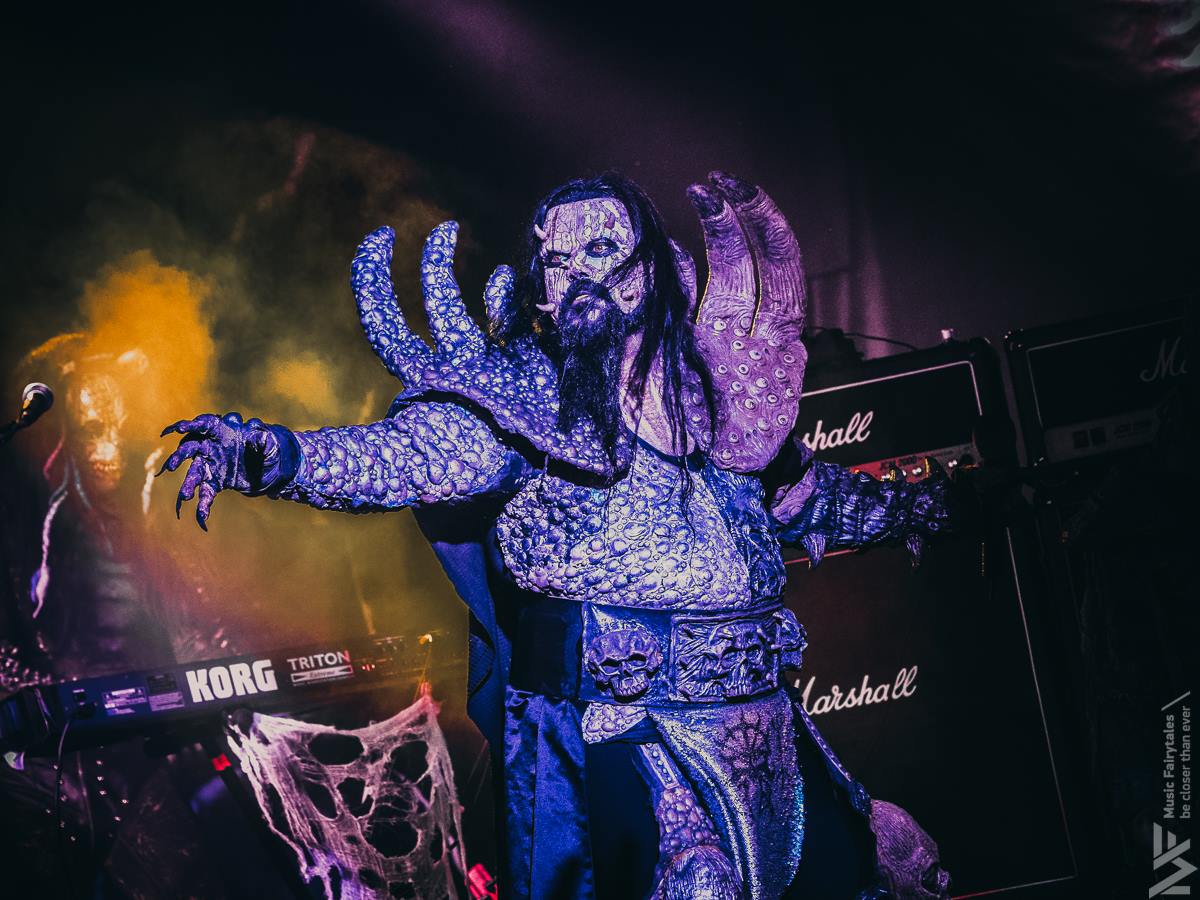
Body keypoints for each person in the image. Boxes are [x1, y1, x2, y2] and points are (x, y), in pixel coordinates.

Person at [161, 171, 953, 899]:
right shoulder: (524, 404)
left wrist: (917, 508)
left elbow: (811, 497)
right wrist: (272, 454)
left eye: (599, 249)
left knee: (880, 863)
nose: (574, 273)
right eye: (553, 260)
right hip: (628, 738)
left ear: (655, 270)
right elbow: (398, 459)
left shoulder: (717, 404)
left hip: (766, 724)